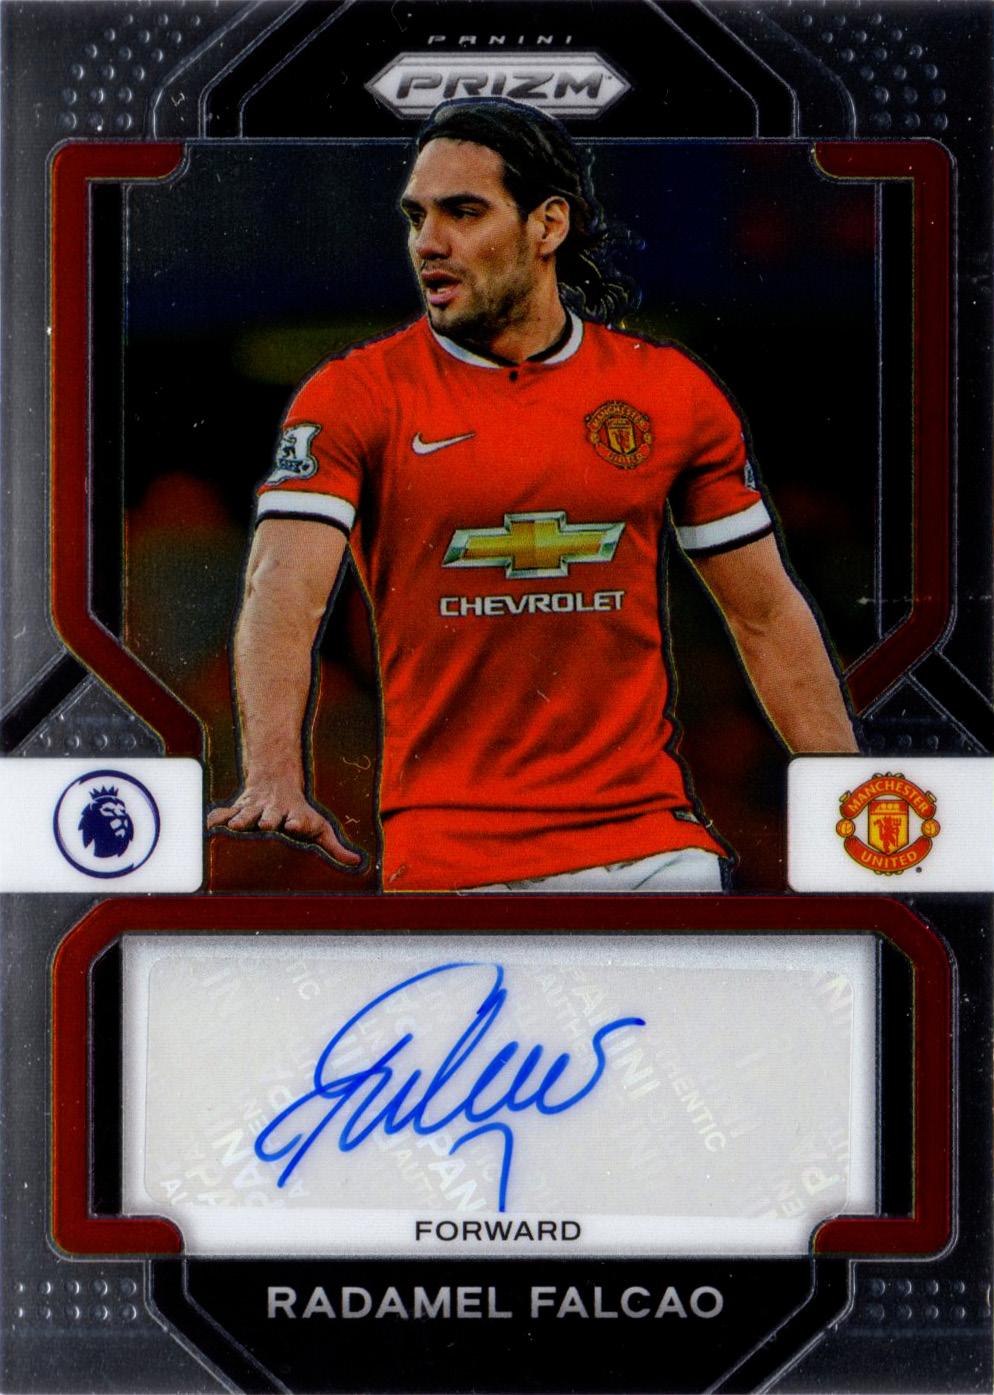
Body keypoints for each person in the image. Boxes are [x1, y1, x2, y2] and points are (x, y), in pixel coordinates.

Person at [208, 98, 857, 892]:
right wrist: (274, 775)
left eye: (463, 212)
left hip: (649, 851)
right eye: (417, 216)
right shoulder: (354, 395)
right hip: (451, 861)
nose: (428, 242)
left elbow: (766, 614)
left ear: (548, 225)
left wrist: (848, 797)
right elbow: (282, 589)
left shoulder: (668, 392)